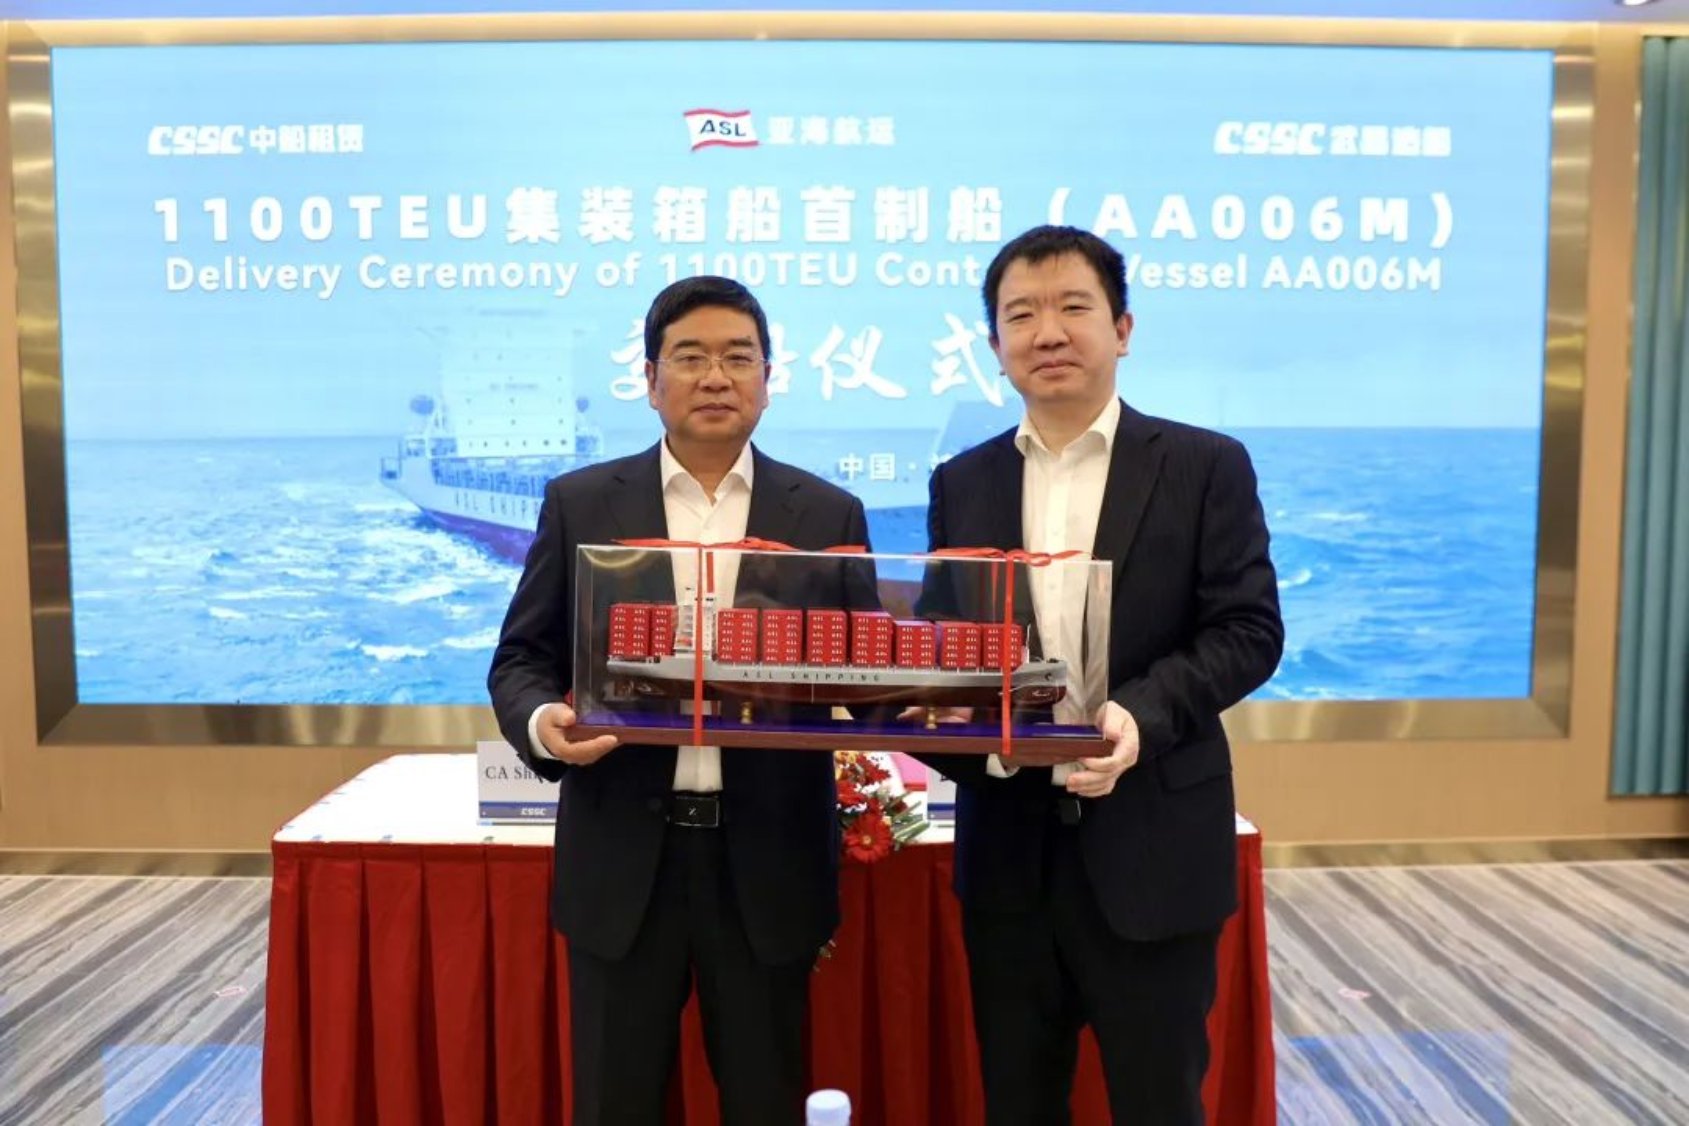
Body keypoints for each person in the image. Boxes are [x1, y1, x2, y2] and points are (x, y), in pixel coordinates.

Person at [919, 226, 1284, 1124]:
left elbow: (1247, 631)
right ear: (994, 345)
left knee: (1160, 1103)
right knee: (1018, 1103)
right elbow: (943, 650)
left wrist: (1137, 716)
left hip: (1154, 848)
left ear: (1122, 329)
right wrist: (979, 737)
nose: (1047, 332)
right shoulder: (960, 483)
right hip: (1008, 863)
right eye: (1020, 315)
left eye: (1072, 307)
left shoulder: (1203, 465)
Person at [488, 276, 872, 1126]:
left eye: (739, 357)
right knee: (615, 1103)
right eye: (690, 357)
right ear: (650, 379)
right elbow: (520, 659)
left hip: (768, 865)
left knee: (766, 1101)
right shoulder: (581, 503)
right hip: (623, 863)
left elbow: (864, 666)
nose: (715, 377)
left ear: (768, 378)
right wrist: (544, 725)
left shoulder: (826, 513)